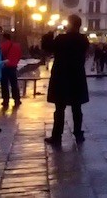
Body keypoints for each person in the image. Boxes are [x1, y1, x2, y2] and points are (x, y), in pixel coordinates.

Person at [45, 15, 90, 145]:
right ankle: (78, 134)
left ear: (70, 24)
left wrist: (51, 31)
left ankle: (57, 136)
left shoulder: (61, 39)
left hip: (62, 76)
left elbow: (47, 47)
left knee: (59, 108)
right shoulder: (83, 39)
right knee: (77, 108)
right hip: (77, 76)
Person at [0, 32, 22, 108]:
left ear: (4, 38)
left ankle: (6, 100)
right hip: (13, 67)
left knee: (4, 84)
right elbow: (19, 56)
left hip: (5, 67)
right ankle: (17, 99)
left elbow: (0, 55)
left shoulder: (2, 45)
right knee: (14, 84)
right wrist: (15, 62)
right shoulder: (16, 46)